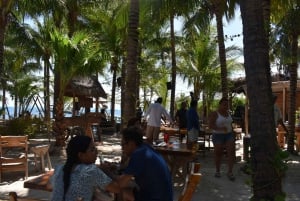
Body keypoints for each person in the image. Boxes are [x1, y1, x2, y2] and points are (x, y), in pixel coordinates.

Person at [50, 135, 133, 201]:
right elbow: (117, 188)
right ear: (81, 155)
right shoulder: (91, 171)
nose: (96, 152)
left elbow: (49, 185)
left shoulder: (59, 168)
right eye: (92, 150)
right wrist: (105, 170)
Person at [119, 126, 173, 201]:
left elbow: (118, 185)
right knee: (128, 189)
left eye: (123, 144)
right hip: (164, 197)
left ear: (131, 143)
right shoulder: (145, 148)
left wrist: (98, 174)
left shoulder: (139, 154)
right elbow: (127, 170)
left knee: (122, 192)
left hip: (156, 198)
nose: (122, 148)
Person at [208, 97, 235, 181]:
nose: (226, 106)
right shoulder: (215, 113)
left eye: (227, 105)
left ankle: (230, 172)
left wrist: (232, 131)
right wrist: (220, 129)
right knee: (218, 153)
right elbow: (210, 125)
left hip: (229, 135)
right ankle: (217, 171)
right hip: (218, 135)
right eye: (224, 104)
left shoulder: (229, 113)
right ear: (220, 105)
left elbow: (230, 124)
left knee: (231, 152)